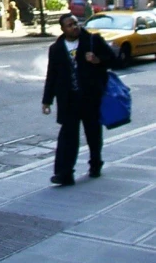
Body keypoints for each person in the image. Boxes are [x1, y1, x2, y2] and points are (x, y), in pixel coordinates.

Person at [42, 13, 116, 186]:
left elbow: (113, 60)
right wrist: (47, 100)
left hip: (91, 98)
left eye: (75, 23)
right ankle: (64, 174)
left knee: (93, 134)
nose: (74, 27)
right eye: (70, 25)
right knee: (67, 137)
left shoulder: (93, 41)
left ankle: (95, 164)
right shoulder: (56, 48)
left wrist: (97, 60)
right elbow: (52, 75)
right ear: (63, 29)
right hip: (68, 100)